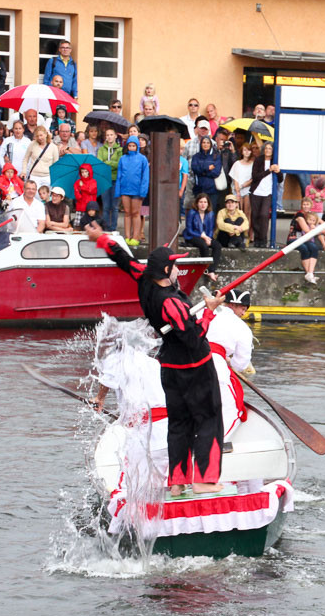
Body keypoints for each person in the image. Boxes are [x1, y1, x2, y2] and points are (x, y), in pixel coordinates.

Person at [85, 223, 227, 497]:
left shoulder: (144, 277)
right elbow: (194, 337)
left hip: (170, 367)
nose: (178, 270)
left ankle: (177, 481)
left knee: (179, 422)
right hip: (194, 367)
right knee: (208, 419)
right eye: (174, 266)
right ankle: (205, 480)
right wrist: (209, 311)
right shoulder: (169, 302)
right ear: (164, 271)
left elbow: (123, 259)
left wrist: (100, 238)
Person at [92, 328, 171, 502]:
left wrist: (99, 398)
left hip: (144, 431)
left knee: (129, 482)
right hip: (166, 427)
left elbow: (108, 379)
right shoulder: (154, 364)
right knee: (165, 477)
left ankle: (122, 518)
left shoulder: (118, 360)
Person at [207, 289, 255, 451]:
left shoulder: (203, 311)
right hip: (215, 366)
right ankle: (218, 446)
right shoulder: (242, 328)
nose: (244, 313)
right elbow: (241, 365)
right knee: (232, 410)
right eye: (243, 308)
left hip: (186, 362)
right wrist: (228, 360)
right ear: (233, 305)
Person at [116, 138, 149, 243]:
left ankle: (135, 237)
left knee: (136, 213)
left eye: (133, 146)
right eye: (129, 146)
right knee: (127, 213)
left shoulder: (142, 159)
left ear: (137, 146)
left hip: (137, 190)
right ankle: (127, 236)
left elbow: (145, 176)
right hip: (125, 189)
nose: (131, 148)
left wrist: (143, 190)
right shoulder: (123, 158)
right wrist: (118, 189)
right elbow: (119, 175)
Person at [249, 141, 281, 247]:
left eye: (270, 148)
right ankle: (257, 239)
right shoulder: (258, 160)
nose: (267, 150)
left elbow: (280, 179)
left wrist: (278, 171)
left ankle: (263, 239)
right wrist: (269, 170)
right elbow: (255, 176)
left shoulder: (275, 161)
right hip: (256, 192)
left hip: (268, 193)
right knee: (255, 216)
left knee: (263, 215)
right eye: (266, 148)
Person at [185, 193, 219, 282]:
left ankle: (212, 270)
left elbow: (211, 229)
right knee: (203, 246)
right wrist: (202, 236)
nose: (203, 204)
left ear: (208, 204)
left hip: (206, 236)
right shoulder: (192, 212)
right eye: (201, 202)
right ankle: (206, 268)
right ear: (197, 203)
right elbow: (189, 230)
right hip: (193, 235)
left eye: (205, 202)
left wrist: (208, 238)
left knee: (217, 246)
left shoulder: (210, 214)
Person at [289, 197, 324, 284]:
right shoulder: (299, 215)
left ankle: (310, 273)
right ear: (301, 205)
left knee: (314, 247)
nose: (305, 206)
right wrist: (320, 230)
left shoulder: (310, 215)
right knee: (304, 248)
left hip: (305, 238)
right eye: (304, 204)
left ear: (311, 205)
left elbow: (324, 223)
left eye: (307, 204)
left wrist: (324, 228)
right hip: (294, 238)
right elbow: (306, 230)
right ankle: (308, 273)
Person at [96, 129, 122, 231]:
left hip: (115, 179)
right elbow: (100, 163)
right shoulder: (101, 149)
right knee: (106, 206)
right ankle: (106, 227)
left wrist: (107, 162)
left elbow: (119, 164)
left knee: (114, 207)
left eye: (111, 135)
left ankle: (113, 228)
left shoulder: (119, 150)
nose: (110, 137)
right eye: (107, 135)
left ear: (115, 136)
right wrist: (111, 163)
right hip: (105, 180)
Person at [190, 135, 221, 210]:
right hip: (199, 188)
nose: (205, 144)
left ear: (210, 144)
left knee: (211, 211)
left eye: (207, 142)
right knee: (199, 211)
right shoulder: (196, 157)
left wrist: (202, 172)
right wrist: (207, 168)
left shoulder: (216, 156)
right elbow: (195, 169)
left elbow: (216, 172)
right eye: (203, 142)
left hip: (212, 189)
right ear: (201, 144)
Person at [229, 141, 255, 220]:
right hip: (237, 190)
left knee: (247, 213)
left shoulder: (253, 164)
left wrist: (244, 185)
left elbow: (253, 178)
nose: (247, 152)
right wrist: (238, 192)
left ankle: (246, 232)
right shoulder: (237, 163)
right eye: (245, 150)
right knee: (238, 212)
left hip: (248, 190)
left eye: (249, 150)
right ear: (242, 152)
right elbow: (235, 178)